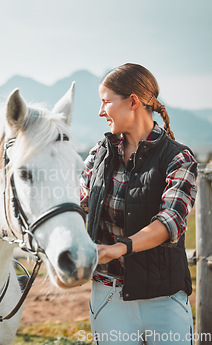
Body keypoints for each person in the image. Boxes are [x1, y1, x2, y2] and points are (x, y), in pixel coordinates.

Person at [80, 63, 198, 344]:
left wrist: (118, 248)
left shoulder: (178, 158)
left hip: (164, 300)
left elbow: (169, 223)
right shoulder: (99, 154)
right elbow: (78, 205)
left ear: (132, 101)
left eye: (106, 102)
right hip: (108, 297)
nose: (100, 111)